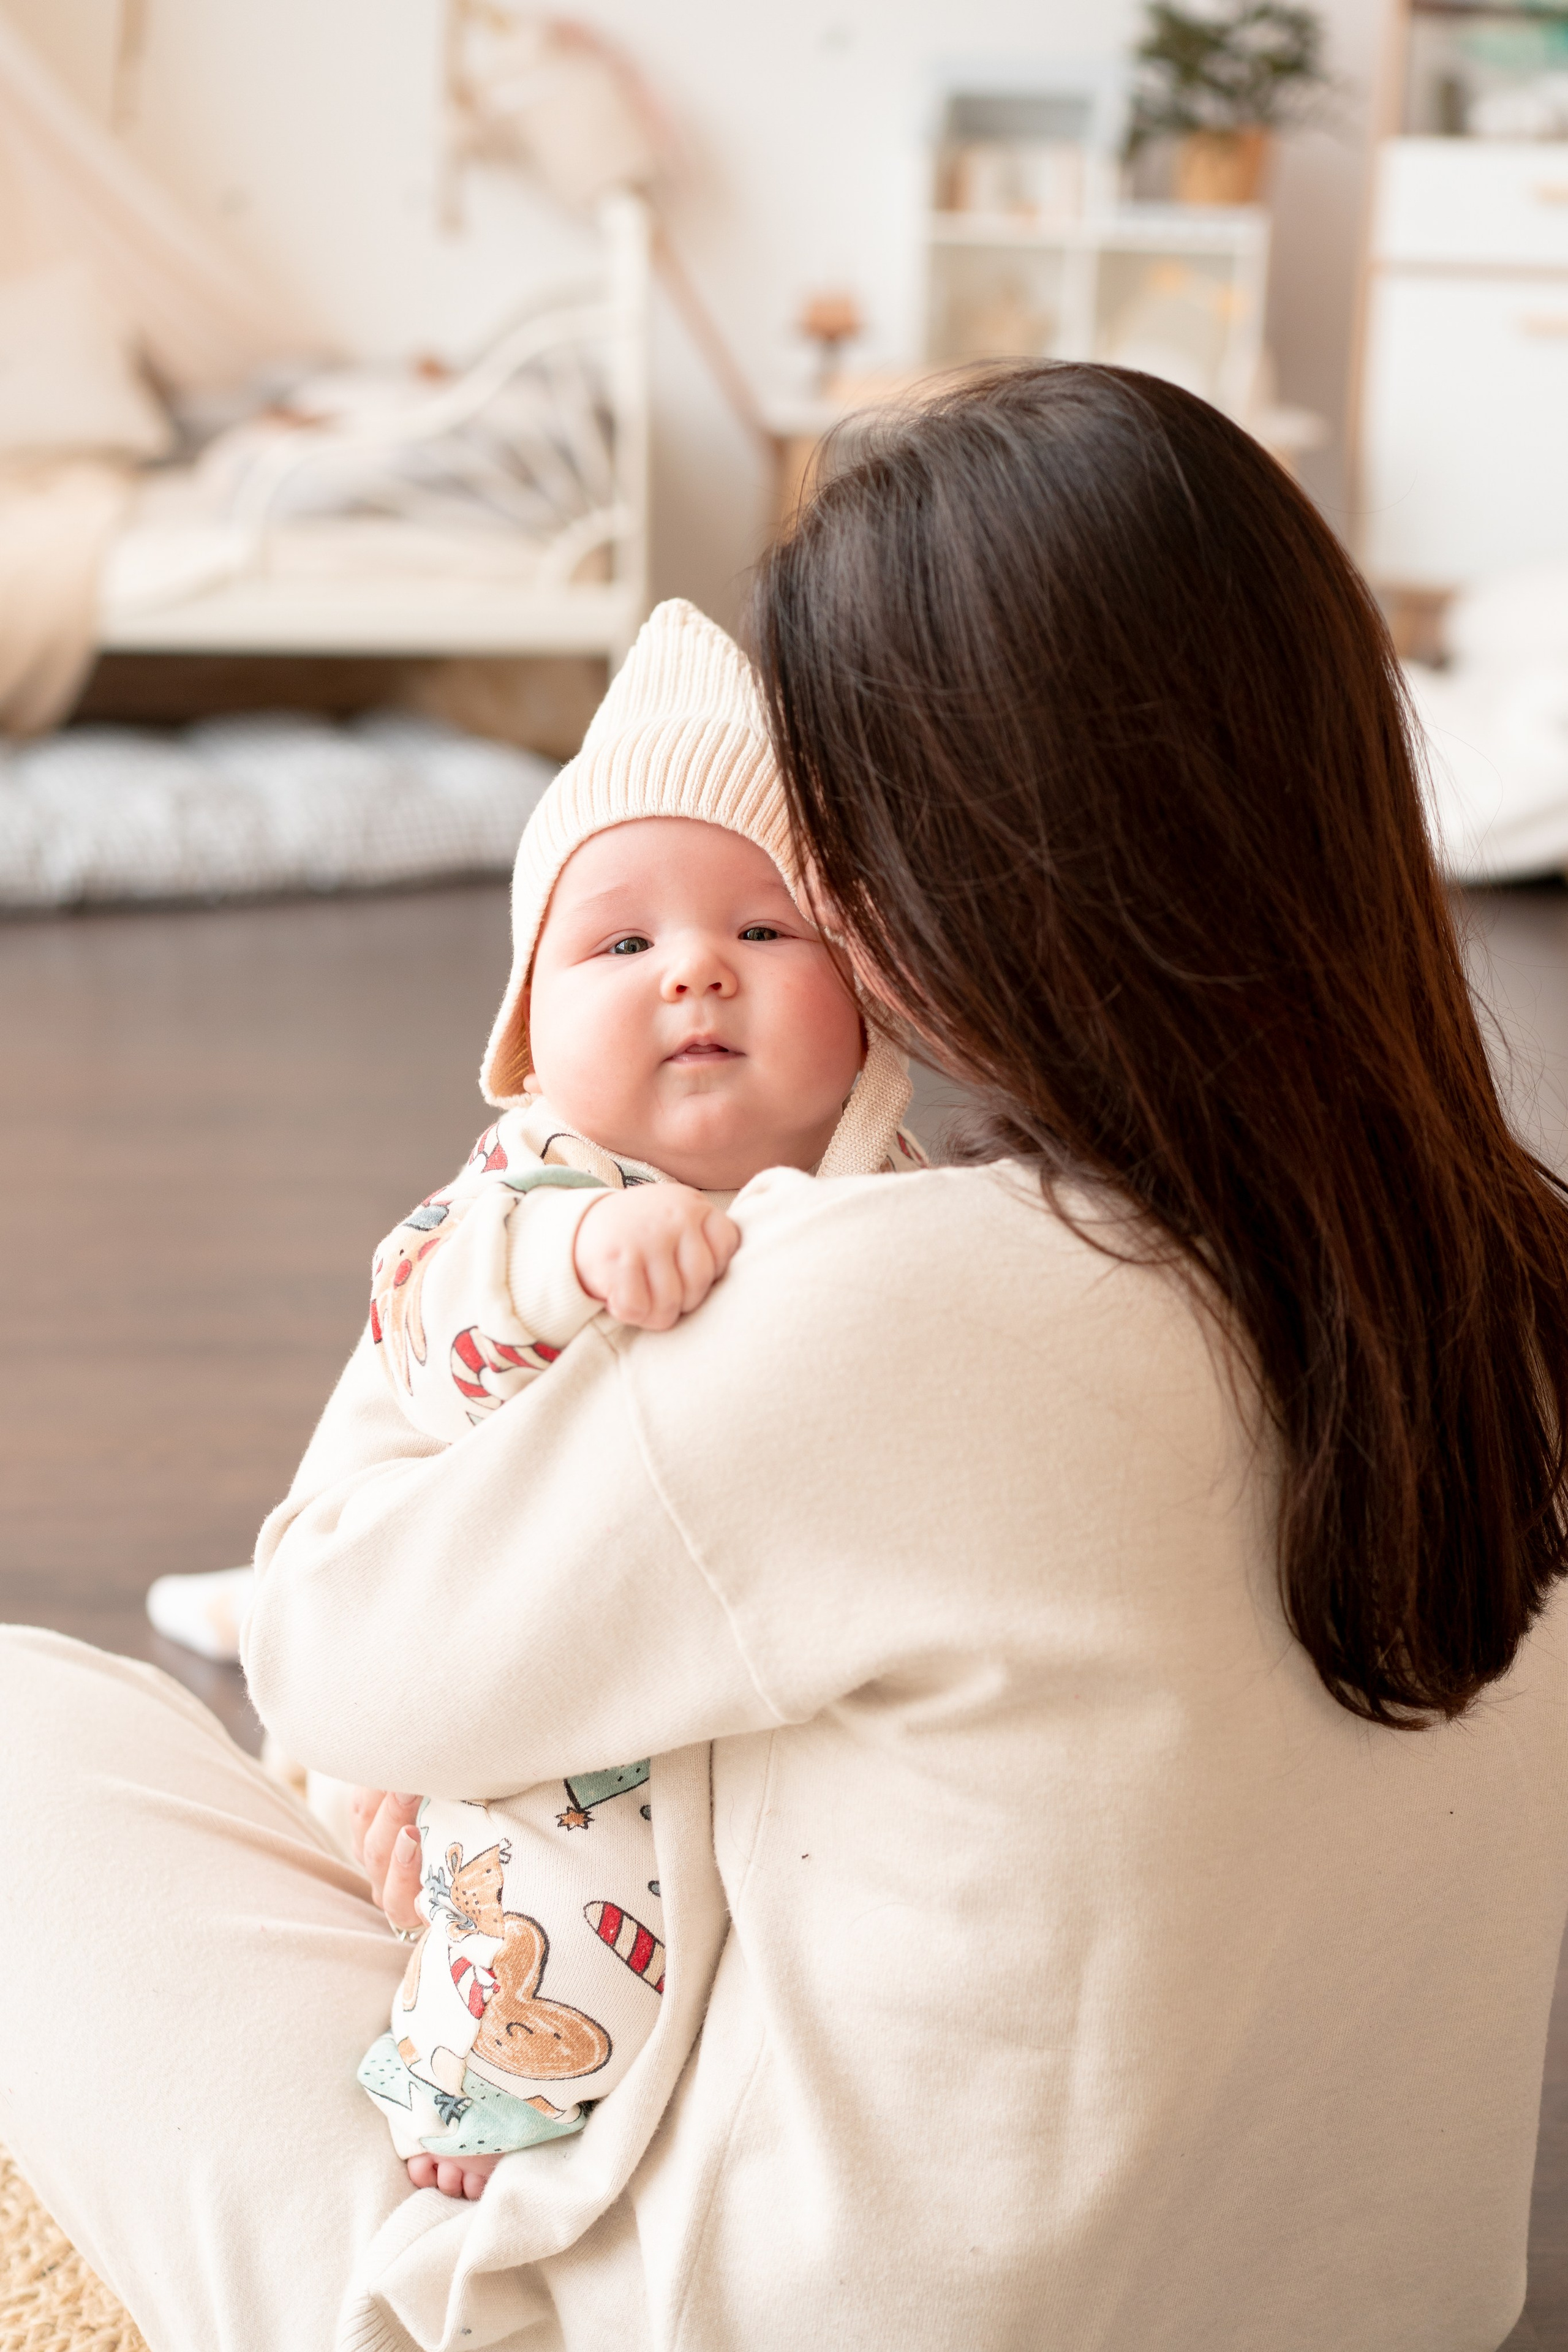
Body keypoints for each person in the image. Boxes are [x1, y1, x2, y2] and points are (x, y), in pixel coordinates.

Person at [4, 361, 1568, 2352]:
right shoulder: (1524, 1282)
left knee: (25, 1724)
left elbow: (335, 1652)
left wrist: (487, 1249)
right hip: (1391, 2307)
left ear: (955, 872)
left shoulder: (886, 1305)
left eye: (826, 837)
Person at [350, 597, 922, 2199]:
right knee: (537, 1911)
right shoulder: (535, 1183)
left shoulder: (895, 1191)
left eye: (764, 932)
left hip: (780, 1689)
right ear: (528, 1030)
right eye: (622, 943)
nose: (695, 974)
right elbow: (420, 1306)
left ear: (871, 998)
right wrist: (578, 1249)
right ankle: (472, 2104)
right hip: (540, 1698)